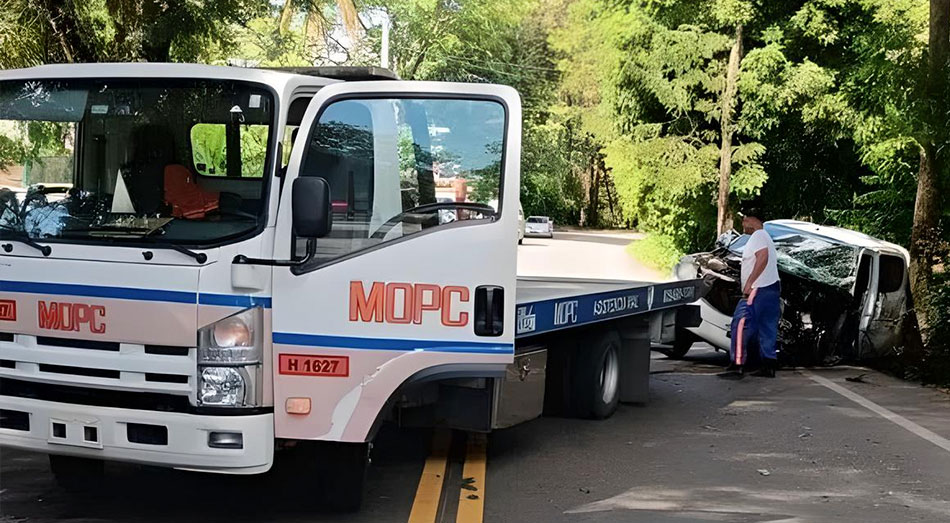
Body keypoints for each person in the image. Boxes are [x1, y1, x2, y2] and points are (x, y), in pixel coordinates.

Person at [719, 211, 781, 379]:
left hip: (757, 289)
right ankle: (768, 365)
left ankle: (737, 365)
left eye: (744, 221)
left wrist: (750, 282)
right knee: (766, 328)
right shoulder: (766, 236)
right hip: (772, 288)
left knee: (740, 325)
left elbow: (763, 257)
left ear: (751, 220)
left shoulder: (758, 236)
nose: (743, 225)